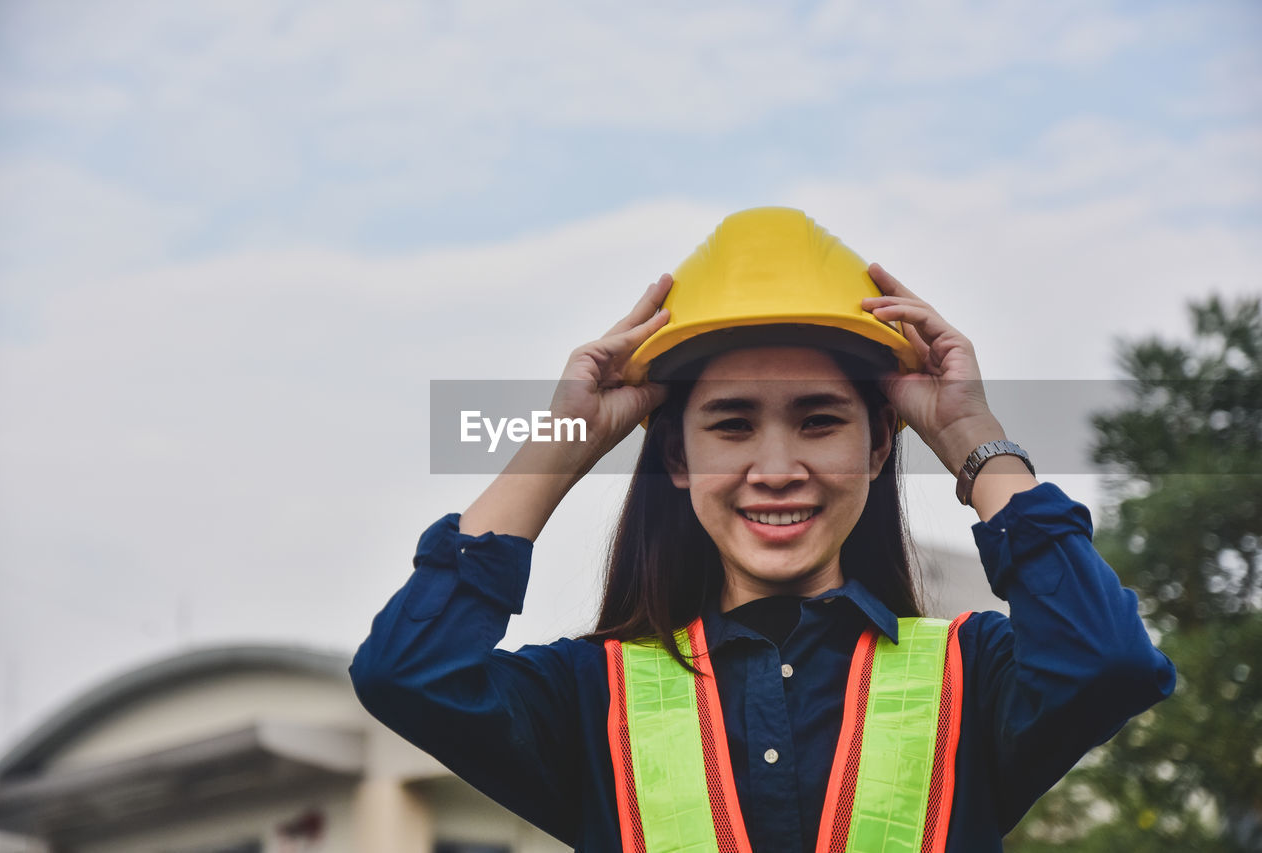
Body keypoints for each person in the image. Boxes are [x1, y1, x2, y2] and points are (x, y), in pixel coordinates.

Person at [349, 207, 1175, 852]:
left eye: (819, 421)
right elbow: (406, 673)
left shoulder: (974, 676)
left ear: (880, 444)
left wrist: (971, 435)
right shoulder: (588, 698)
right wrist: (562, 444)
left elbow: (1108, 663)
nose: (776, 466)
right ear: (675, 455)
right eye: (732, 425)